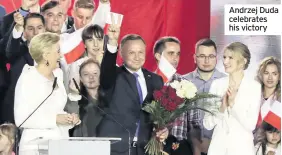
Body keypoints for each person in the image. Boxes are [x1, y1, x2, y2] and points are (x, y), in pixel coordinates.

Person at [97, 16, 169, 155]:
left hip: (144, 148)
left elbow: (159, 115)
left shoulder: (156, 80)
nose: (137, 57)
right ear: (121, 54)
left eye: (140, 52)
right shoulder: (113, 76)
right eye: (131, 52)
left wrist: (163, 128)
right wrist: (112, 42)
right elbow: (106, 69)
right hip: (116, 147)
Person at [14, 32, 80, 155]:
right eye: (58, 51)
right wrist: (55, 119)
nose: (61, 55)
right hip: (34, 148)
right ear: (45, 55)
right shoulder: (29, 78)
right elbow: (21, 119)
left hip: (58, 145)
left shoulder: (58, 75)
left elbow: (55, 110)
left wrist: (68, 119)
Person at [203, 42, 261, 155]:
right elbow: (207, 124)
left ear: (243, 61)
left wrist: (233, 104)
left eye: (231, 58)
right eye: (224, 57)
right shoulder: (217, 84)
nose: (225, 62)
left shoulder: (254, 87)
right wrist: (221, 109)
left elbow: (251, 125)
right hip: (217, 149)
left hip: (242, 149)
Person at [181, 38, 226, 155]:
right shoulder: (183, 81)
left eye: (211, 56)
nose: (207, 60)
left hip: (219, 146)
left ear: (216, 58)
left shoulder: (226, 81)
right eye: (202, 56)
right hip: (188, 146)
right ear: (195, 58)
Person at [2, 13, 46, 124]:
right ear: (24, 33)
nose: (36, 32)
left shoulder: (53, 53)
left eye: (39, 28)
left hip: (44, 114)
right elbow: (10, 51)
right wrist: (17, 28)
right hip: (17, 115)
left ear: (45, 29)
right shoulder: (17, 52)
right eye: (31, 28)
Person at [153, 36, 193, 155]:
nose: (175, 58)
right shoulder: (147, 82)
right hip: (151, 147)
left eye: (178, 54)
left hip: (179, 148)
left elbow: (193, 125)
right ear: (158, 56)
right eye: (171, 53)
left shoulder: (186, 85)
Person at [66, 24, 105, 113]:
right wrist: (98, 65)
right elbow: (75, 92)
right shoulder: (76, 66)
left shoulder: (111, 64)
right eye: (91, 40)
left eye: (99, 40)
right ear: (84, 44)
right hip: (84, 111)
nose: (96, 44)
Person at [72, 59, 104, 137]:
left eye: (95, 73)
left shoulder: (111, 100)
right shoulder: (76, 101)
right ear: (81, 79)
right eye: (86, 74)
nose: (91, 77)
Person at [256, 57, 281, 126]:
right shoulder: (253, 95)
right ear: (261, 75)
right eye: (266, 73)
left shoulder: (280, 99)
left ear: (279, 77)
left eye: (274, 74)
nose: (270, 77)